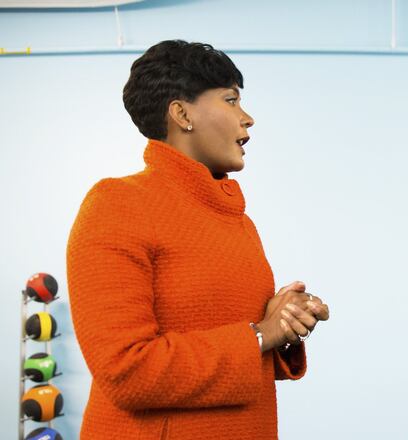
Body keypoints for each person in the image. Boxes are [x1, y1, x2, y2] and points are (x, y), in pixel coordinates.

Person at [66, 40, 329, 439]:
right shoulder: (117, 204)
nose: (248, 118)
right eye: (231, 100)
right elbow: (127, 370)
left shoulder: (238, 220)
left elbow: (243, 342)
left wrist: (283, 320)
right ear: (182, 113)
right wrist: (262, 333)